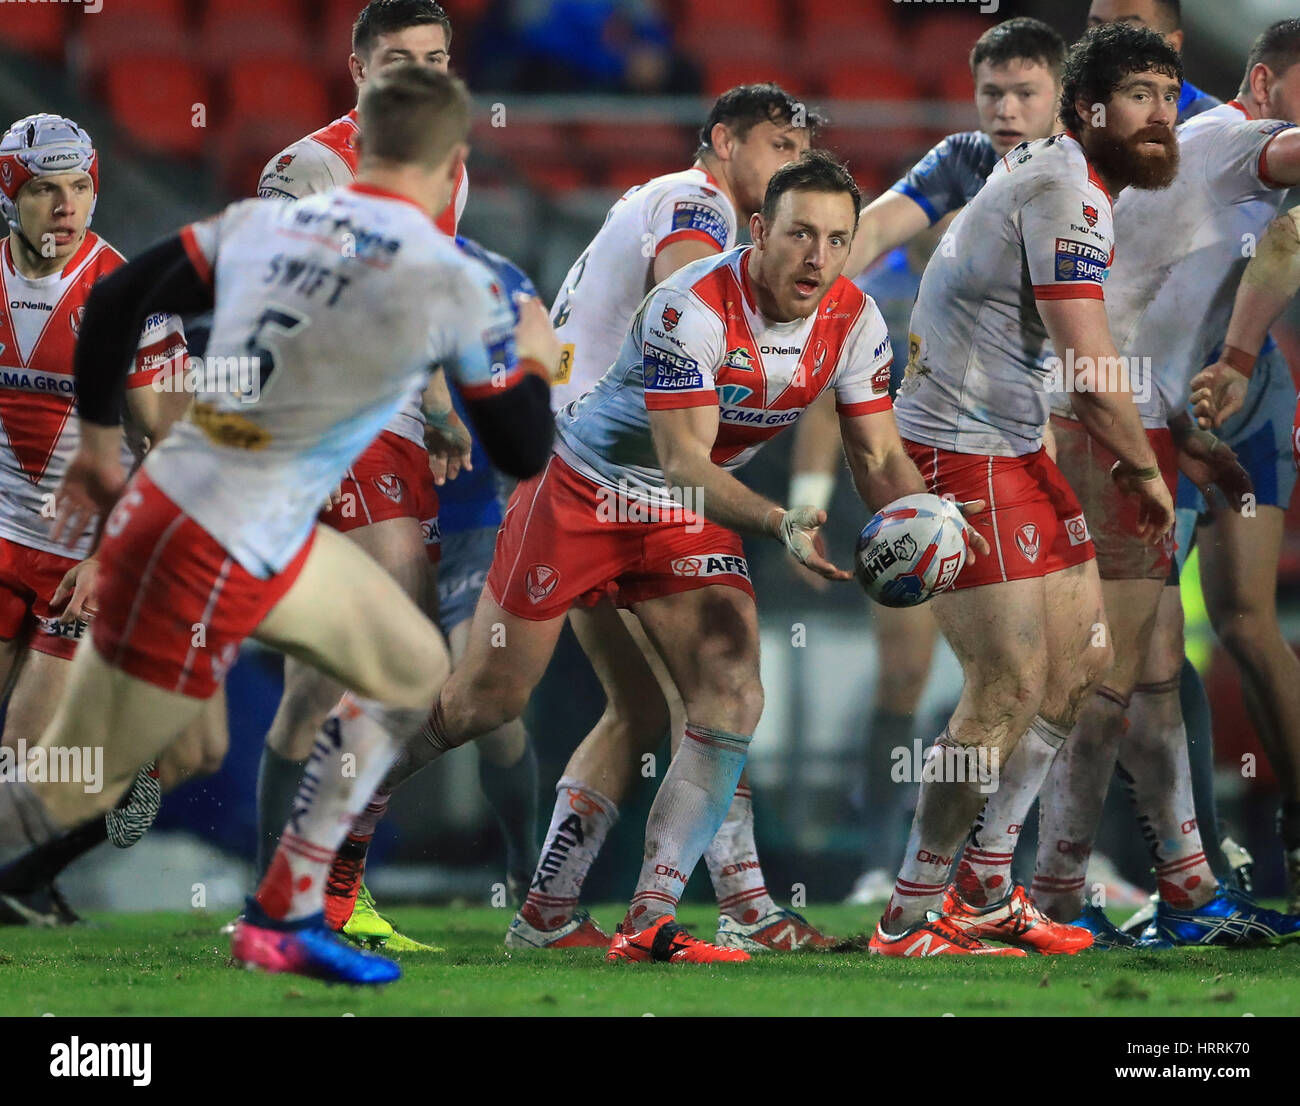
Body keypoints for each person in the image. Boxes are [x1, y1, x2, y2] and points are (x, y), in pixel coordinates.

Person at [0, 67, 557, 985]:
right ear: (457, 164)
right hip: (205, 539)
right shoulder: (451, 278)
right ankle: (271, 900)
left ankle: (284, 912)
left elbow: (112, 299)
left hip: (228, 519)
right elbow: (525, 447)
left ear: (359, 147)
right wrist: (529, 351)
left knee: (413, 668)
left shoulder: (267, 222)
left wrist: (102, 445)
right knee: (75, 782)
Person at [328, 84, 839, 954]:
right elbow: (688, 313)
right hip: (594, 481)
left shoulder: (676, 202)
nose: (791, 166)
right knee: (505, 699)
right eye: (778, 146)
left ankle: (551, 913)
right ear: (722, 140)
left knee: (664, 703)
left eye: (801, 151)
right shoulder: (696, 205)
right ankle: (323, 846)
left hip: (627, 478)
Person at [974, 22, 1300, 949]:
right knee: (1097, 684)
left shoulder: (1186, 164)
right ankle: (1023, 890)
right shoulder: (1235, 140)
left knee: (1147, 679)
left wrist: (1194, 419)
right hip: (1092, 424)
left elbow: (1234, 268)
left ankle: (1172, 891)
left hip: (1129, 416)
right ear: (1268, 82)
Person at [870, 22, 1180, 958]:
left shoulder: (1062, 174)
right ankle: (912, 910)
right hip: (958, 453)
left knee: (1081, 667)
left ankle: (987, 888)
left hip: (1011, 445)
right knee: (1005, 685)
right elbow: (1090, 367)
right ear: (1090, 111)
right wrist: (1145, 468)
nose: (1162, 117)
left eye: (1169, 95)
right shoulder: (1064, 190)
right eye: (1141, 98)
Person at [254, 0, 540, 951]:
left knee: (313, 688)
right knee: (403, 672)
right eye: (399, 61)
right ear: (356, 70)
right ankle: (320, 895)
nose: (421, 75)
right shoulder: (306, 170)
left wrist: (441, 405)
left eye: (437, 58)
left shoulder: (444, 163)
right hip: (328, 431)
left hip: (398, 430)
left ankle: (284, 905)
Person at [788, 17, 1070, 903]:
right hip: (927, 467)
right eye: (992, 93)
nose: (1007, 110)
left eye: (1025, 92)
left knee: (1059, 669)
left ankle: (1024, 866)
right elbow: (860, 265)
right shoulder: (944, 193)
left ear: (1060, 94)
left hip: (1033, 450)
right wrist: (808, 496)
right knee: (917, 670)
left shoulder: (1081, 181)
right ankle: (892, 866)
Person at [0, 113, 225, 926]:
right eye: (44, 190)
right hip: (2, 538)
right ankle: (30, 885)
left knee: (25, 768)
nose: (66, 206)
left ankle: (52, 853)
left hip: (89, 554)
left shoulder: (128, 298)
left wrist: (106, 561)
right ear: (8, 196)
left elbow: (173, 445)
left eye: (81, 187)